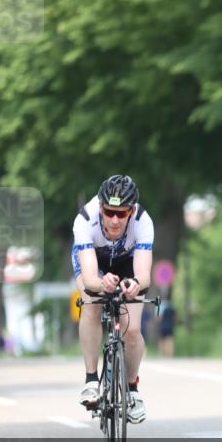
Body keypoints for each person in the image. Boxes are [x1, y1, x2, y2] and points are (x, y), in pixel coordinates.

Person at [73, 175, 154, 423]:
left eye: (122, 213)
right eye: (109, 212)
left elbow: (144, 276)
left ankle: (132, 390)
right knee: (92, 304)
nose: (115, 219)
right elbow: (89, 279)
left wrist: (134, 284)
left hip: (128, 262)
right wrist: (102, 283)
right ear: (100, 208)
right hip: (94, 262)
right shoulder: (85, 220)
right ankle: (90, 379)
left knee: (132, 329)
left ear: (132, 211)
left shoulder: (142, 222)